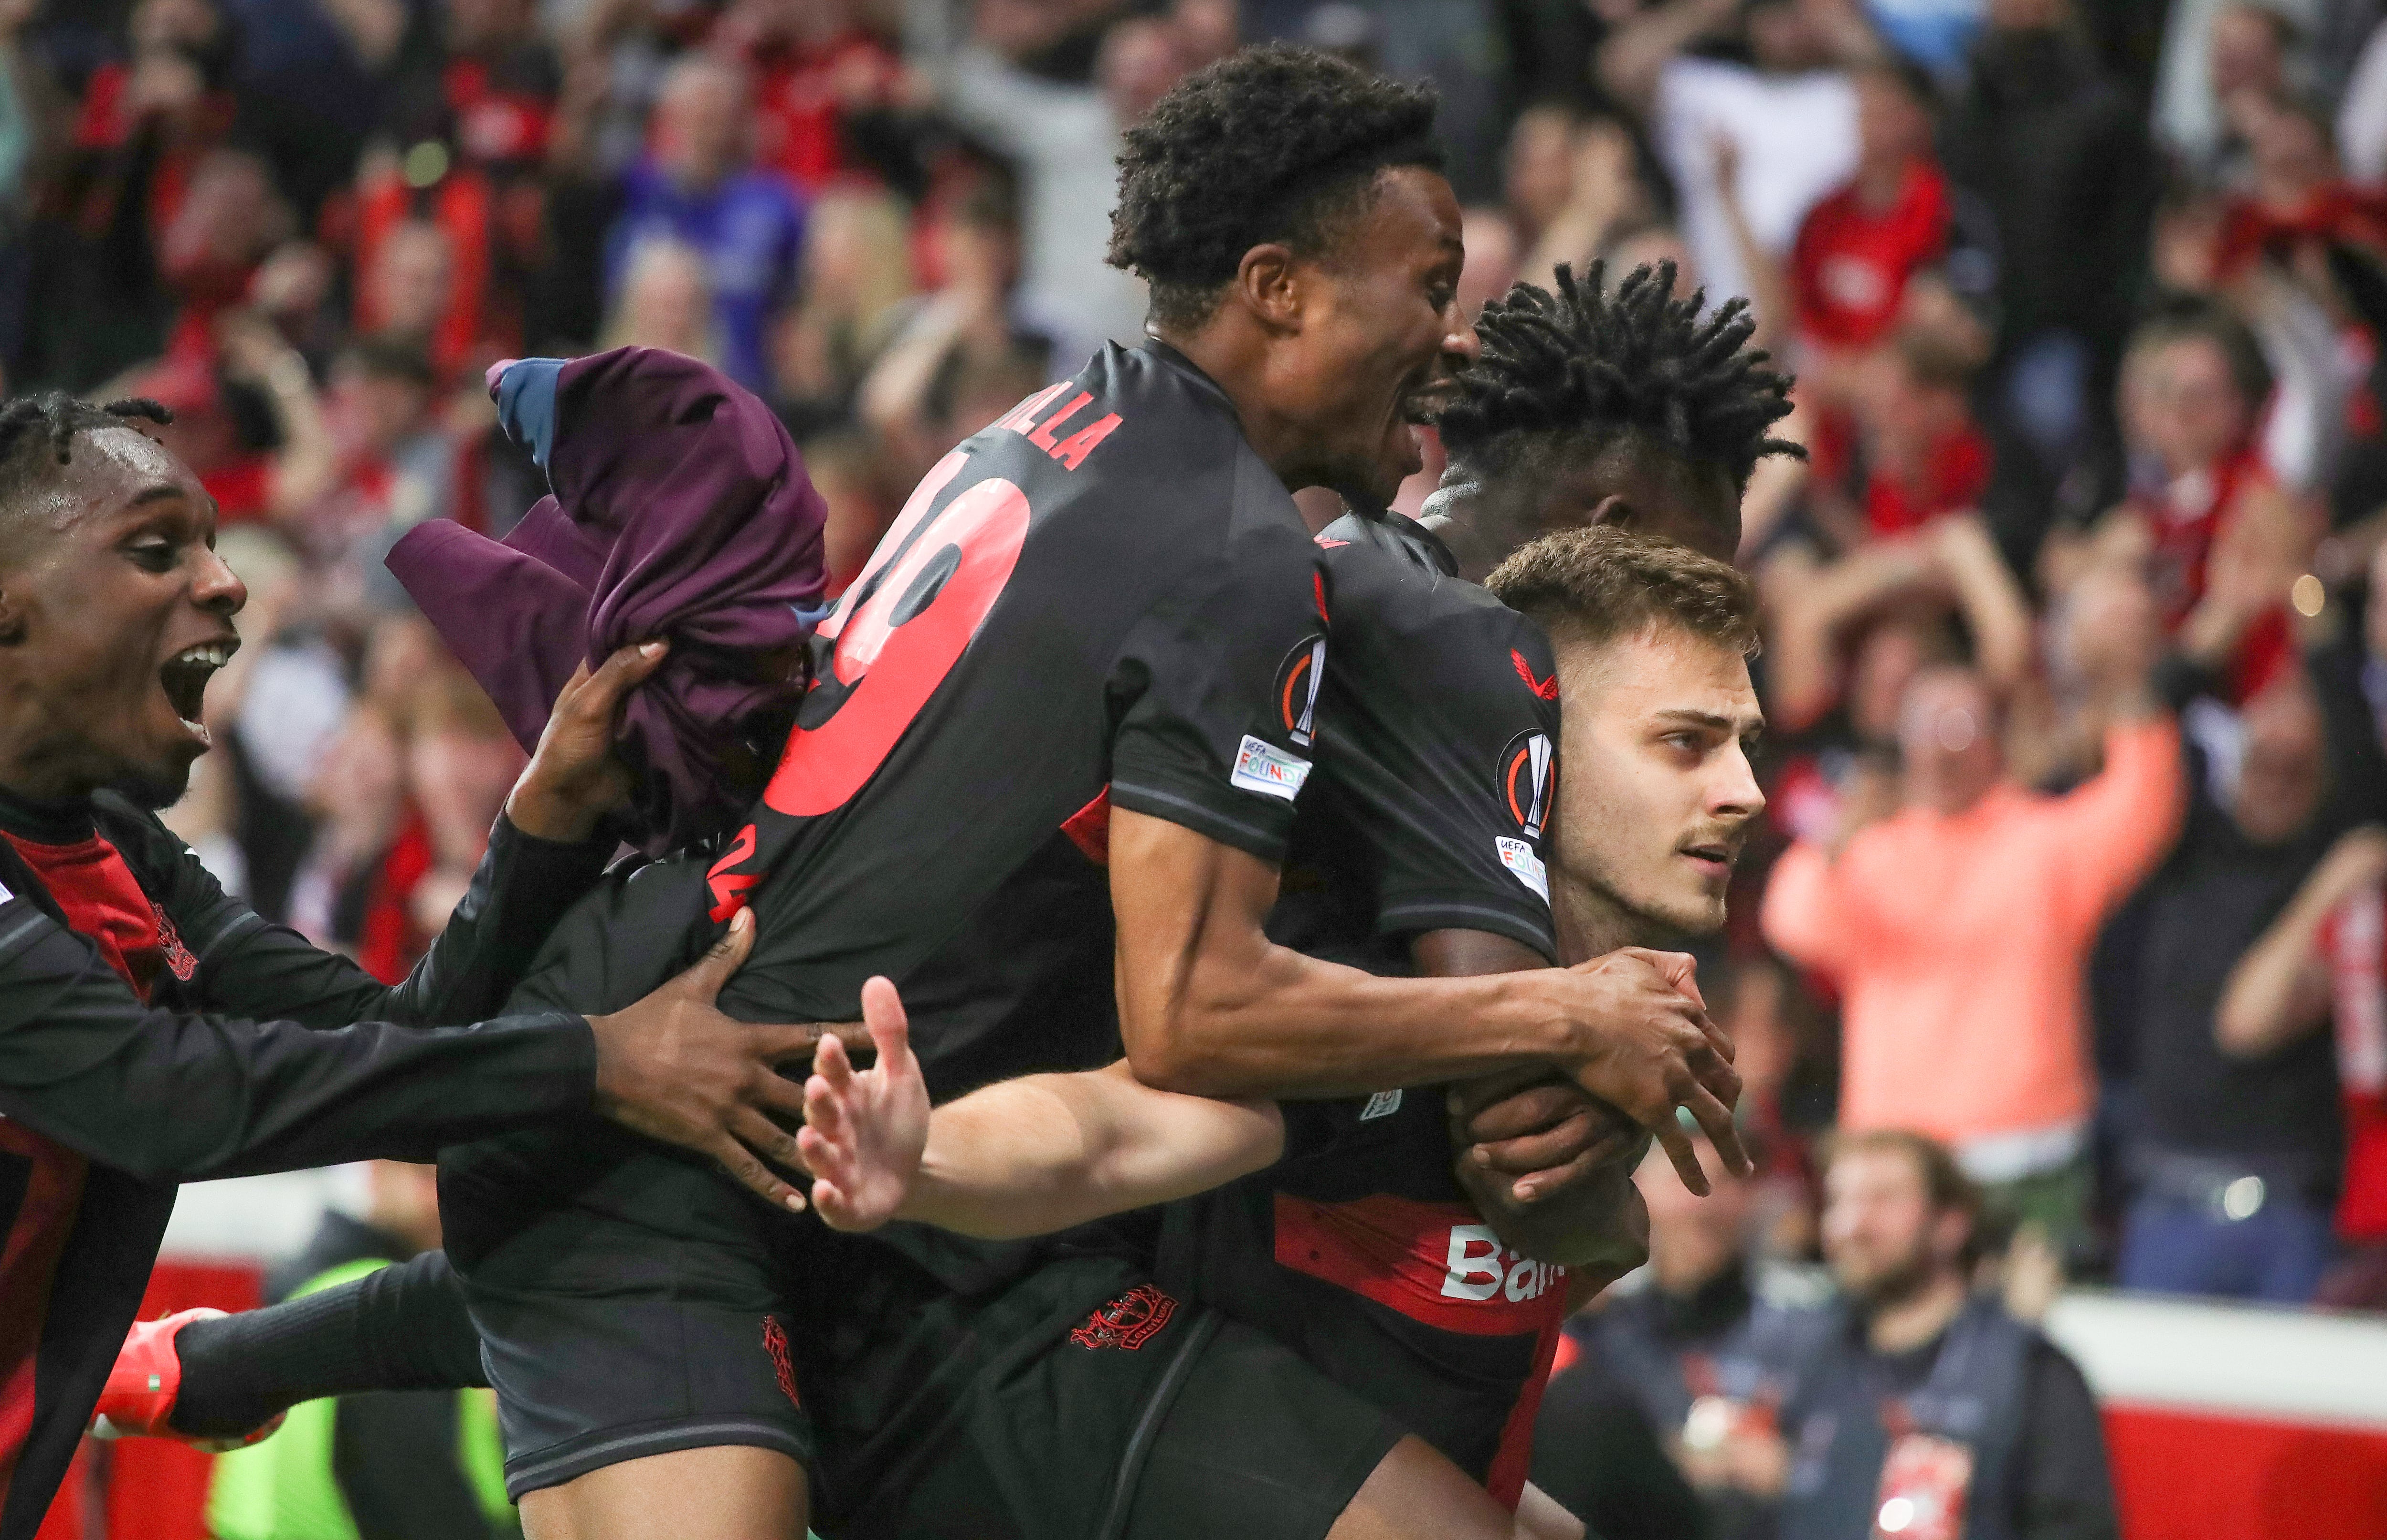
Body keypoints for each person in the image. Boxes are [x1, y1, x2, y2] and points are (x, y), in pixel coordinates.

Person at [103, 256, 1793, 1539]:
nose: (1738, 770)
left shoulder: (1270, 569)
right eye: (1700, 650)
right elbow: (1362, 1112)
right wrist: (1554, 1046)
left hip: (859, 1097)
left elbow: (1494, 1164)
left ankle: (256, 1357)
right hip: (958, 1236)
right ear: (1625, 530)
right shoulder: (1422, 654)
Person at [438, 47, 1745, 1540]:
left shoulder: (1044, 428)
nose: (1448, 343)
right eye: (1426, 283)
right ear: (1279, 288)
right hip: (714, 1164)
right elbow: (1199, 1013)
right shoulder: (1241, 559)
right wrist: (1564, 1020)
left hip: (757, 1115)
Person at [791, 523, 1775, 1540]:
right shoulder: (1379, 994)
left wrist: (1608, 1231)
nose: (1744, 791)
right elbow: (1114, 1125)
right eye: (1685, 741)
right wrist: (922, 1159)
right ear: (1534, 751)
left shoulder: (1640, 1024)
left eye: (1748, 744)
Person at [0, 391, 870, 1540]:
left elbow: (400, 1033)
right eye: (157, 546)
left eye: (213, 541)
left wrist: (540, 825)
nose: (224, 580)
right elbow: (170, 1096)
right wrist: (597, 1060)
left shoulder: (116, 843)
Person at [1762, 638, 2185, 1252]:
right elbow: (1792, 926)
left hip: (2025, 1156)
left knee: (2026, 1333)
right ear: (1901, 739)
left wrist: (2125, 685)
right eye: (1925, 725)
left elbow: (2145, 801)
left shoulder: (2047, 844)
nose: (1941, 744)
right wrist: (1835, 839)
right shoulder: (1871, 848)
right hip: (1892, 1160)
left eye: (1960, 725)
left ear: (1997, 738)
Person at [2110, 671, 2350, 1302]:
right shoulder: (2183, 845)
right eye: (2264, 756)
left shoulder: (2341, 880)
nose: (2276, 774)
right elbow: (2149, 705)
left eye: (2297, 763)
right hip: (2167, 1202)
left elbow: (2249, 1022)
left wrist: (2328, 886)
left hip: (2289, 1209)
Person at [1772, 1131, 2118, 1540]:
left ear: (1950, 1225)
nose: (1852, 1225)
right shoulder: (1808, 1356)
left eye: (1882, 1200)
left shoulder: (2030, 1371)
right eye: (1839, 1201)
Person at [1533, 1131, 1830, 1540]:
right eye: (1683, 1182)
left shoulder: (1811, 1325)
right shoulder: (1599, 1329)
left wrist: (1792, 1471)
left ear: (1752, 1199)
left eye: (1723, 1184)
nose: (1701, 1209)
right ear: (1640, 1195)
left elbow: (1839, 1469)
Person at [203, 1162, 512, 1540]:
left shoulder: (318, 1293)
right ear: (377, 1170)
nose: (439, 1197)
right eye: (425, 1175)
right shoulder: (389, 1310)